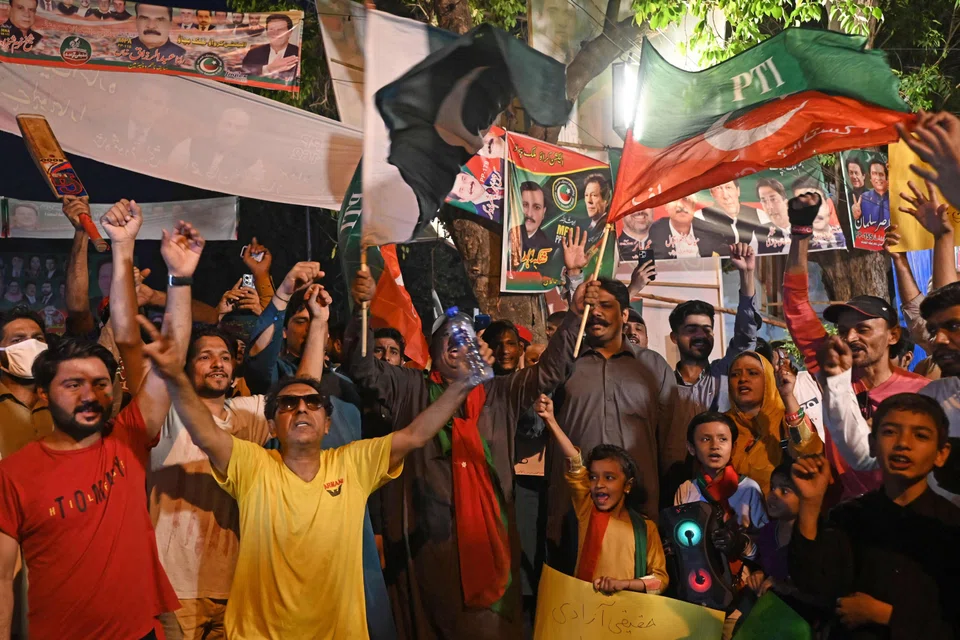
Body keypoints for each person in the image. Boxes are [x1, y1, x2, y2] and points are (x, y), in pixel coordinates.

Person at [141, 290, 493, 640]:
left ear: (327, 423)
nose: (302, 409)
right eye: (289, 405)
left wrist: (462, 384)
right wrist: (173, 376)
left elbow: (416, 435)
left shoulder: (354, 463)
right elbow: (205, 433)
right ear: (272, 425)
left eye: (313, 403)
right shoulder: (252, 465)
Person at [342, 269, 597, 638]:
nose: (454, 345)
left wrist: (574, 315)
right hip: (425, 543)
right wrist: (361, 310)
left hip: (490, 539)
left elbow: (550, 372)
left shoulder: (501, 394)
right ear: (432, 352)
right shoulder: (408, 387)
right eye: (445, 339)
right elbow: (363, 368)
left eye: (462, 339)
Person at [0, 215, 204, 639]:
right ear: (43, 395)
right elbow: (2, 581)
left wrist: (179, 280)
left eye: (98, 384)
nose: (89, 395)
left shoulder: (128, 438)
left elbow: (171, 355)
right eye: (72, 385)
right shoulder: (13, 474)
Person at [785, 192, 927, 501]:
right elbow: (796, 308)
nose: (850, 338)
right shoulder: (836, 375)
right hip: (843, 520)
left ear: (892, 336)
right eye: (844, 330)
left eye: (863, 329)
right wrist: (799, 234)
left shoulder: (924, 393)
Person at [790, 394, 960, 639]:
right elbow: (813, 583)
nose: (903, 443)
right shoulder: (850, 516)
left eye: (920, 435)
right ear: (871, 444)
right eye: (890, 432)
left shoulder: (950, 526)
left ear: (941, 453)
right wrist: (810, 502)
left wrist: (887, 615)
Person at [546, 277, 686, 575]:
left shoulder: (653, 367)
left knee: (632, 599)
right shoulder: (562, 364)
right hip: (574, 506)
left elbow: (671, 439)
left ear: (624, 314)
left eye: (606, 306)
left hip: (636, 508)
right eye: (590, 306)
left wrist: (666, 500)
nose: (596, 313)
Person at [539, 394, 668, 594]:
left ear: (627, 485)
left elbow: (659, 580)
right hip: (585, 608)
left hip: (626, 615)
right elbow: (574, 461)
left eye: (609, 478)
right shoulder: (587, 509)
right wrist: (551, 421)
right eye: (593, 477)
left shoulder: (645, 528)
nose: (598, 484)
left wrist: (623, 584)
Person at [671, 243, 761, 413]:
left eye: (706, 329)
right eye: (691, 330)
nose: (700, 335)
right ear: (674, 337)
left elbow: (746, 337)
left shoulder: (726, 374)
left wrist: (746, 273)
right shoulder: (664, 384)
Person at [726, 351, 822, 494]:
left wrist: (787, 396)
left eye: (752, 373)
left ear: (769, 379)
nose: (743, 379)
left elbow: (810, 453)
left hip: (784, 513)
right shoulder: (721, 426)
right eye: (735, 374)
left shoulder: (786, 418)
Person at [700, 180, 768, 250]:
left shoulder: (760, 216)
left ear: (738, 191)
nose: (725, 196)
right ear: (712, 193)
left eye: (729, 187)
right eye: (718, 189)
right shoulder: (700, 217)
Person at [649, 196, 723, 259]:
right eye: (674, 199)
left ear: (693, 205)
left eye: (686, 199)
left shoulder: (711, 232)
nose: (680, 205)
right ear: (666, 206)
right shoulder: (651, 233)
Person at [240, 14, 299, 80]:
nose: (275, 33)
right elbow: (243, 72)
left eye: (280, 29)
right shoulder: (254, 52)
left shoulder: (298, 53)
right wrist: (268, 68)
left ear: (289, 33)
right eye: (271, 29)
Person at [510, 181, 554, 262]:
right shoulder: (507, 235)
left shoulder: (550, 249)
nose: (529, 214)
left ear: (543, 212)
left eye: (536, 207)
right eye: (525, 205)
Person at [756, 178, 792, 254]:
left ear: (786, 203)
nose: (770, 207)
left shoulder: (804, 229)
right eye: (764, 201)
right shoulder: (759, 233)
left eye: (773, 199)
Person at [852, 157, 890, 228]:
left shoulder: (894, 197)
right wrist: (857, 217)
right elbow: (860, 227)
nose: (878, 178)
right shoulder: (863, 198)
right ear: (870, 178)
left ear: (887, 178)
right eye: (874, 174)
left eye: (881, 174)